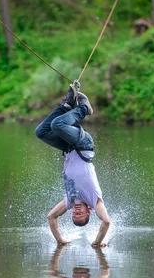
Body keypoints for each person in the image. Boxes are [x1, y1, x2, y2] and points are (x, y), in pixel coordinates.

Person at [35, 84, 111, 247]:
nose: (76, 212)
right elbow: (106, 222)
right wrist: (98, 242)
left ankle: (68, 105)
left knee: (41, 132)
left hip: (69, 148)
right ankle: (84, 108)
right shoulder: (94, 201)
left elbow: (51, 217)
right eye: (81, 214)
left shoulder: (69, 201)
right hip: (84, 144)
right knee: (57, 125)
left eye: (74, 215)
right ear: (88, 211)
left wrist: (60, 240)